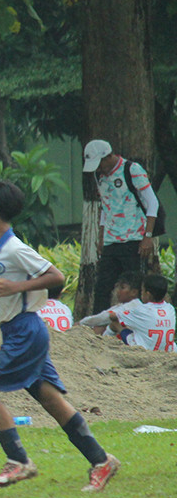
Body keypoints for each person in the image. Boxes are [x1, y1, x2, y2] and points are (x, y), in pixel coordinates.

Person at [0, 181, 120, 491]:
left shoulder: (13, 248)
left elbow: (56, 276)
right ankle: (101, 460)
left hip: (25, 330)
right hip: (18, 331)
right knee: (51, 401)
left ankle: (19, 461)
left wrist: (19, 287)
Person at [82, 139, 160, 313]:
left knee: (134, 287)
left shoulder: (132, 170)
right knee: (102, 286)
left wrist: (147, 236)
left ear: (108, 156)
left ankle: (135, 322)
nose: (99, 169)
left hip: (133, 239)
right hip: (111, 241)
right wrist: (101, 236)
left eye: (100, 164)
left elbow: (152, 203)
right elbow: (105, 207)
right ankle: (97, 329)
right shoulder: (100, 177)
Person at [108, 273, 176, 352]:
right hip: (167, 351)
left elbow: (113, 316)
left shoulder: (141, 310)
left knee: (115, 323)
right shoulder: (170, 309)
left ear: (148, 294)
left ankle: (103, 345)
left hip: (144, 351)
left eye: (142, 291)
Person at [78, 271, 143, 336]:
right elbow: (105, 313)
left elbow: (104, 317)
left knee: (101, 327)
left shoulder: (133, 306)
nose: (118, 291)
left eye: (122, 288)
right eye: (118, 287)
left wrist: (81, 323)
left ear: (134, 292)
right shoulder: (123, 305)